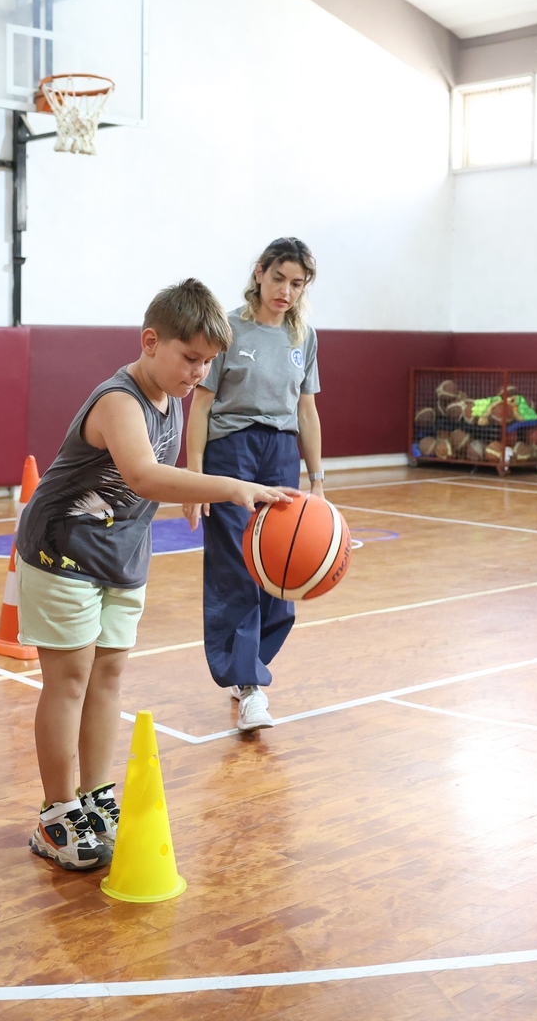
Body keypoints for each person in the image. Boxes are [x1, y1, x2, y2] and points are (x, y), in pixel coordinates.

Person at [15, 279, 294, 871]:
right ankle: (56, 814)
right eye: (190, 358)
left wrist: (192, 484)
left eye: (208, 362)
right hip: (63, 550)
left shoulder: (173, 396)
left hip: (120, 556)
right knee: (69, 680)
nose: (199, 373)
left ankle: (95, 798)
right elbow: (142, 475)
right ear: (150, 342)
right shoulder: (118, 401)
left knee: (107, 676)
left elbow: (158, 472)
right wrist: (230, 487)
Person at [183, 238, 324, 733]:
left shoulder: (303, 337)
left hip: (280, 453)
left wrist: (318, 482)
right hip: (231, 452)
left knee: (279, 568)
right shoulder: (228, 328)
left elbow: (307, 411)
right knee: (235, 565)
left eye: (297, 283)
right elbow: (201, 405)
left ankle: (250, 667)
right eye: (279, 278)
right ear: (260, 273)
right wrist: (195, 478)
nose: (286, 291)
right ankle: (248, 684)